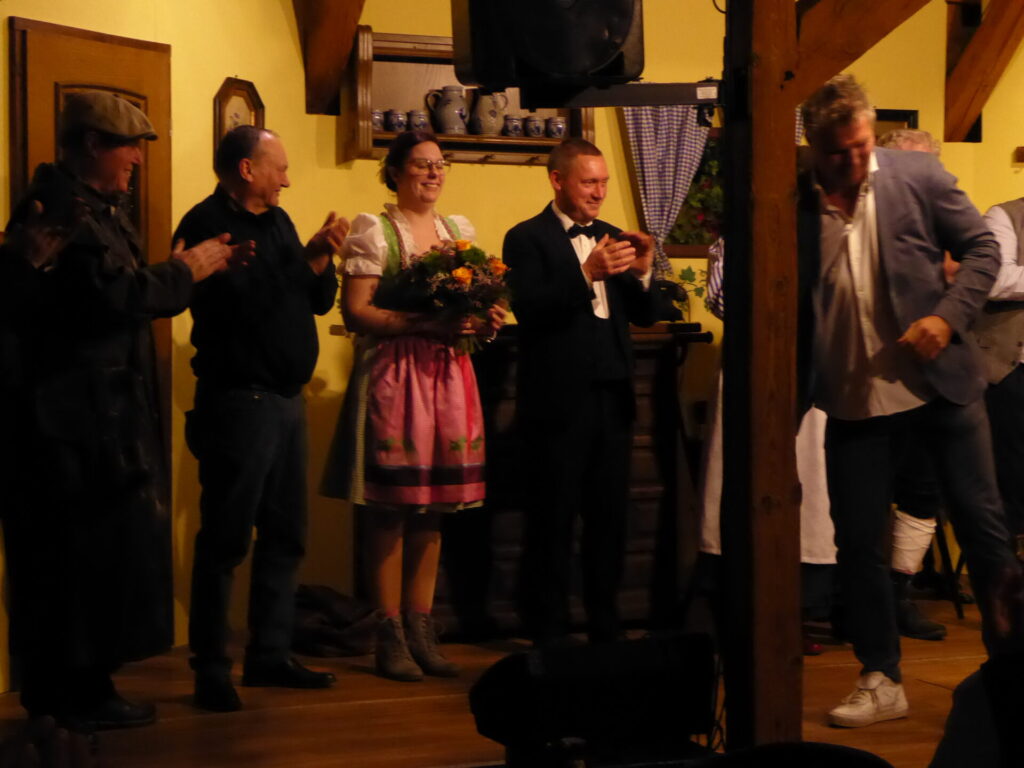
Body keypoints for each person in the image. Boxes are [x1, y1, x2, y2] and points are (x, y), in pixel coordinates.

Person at [0, 91, 234, 733]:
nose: (137, 159)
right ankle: (72, 695)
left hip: (91, 415)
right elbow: (109, 300)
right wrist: (186, 271)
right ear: (92, 145)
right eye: (129, 146)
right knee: (73, 560)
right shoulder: (60, 212)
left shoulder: (90, 208)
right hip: (68, 422)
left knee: (93, 557)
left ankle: (78, 689)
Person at [798, 74, 1019, 728]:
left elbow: (983, 249)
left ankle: (1013, 670)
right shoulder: (790, 201)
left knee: (984, 528)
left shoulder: (917, 176)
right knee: (858, 543)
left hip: (941, 386)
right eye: (838, 152)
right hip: (852, 396)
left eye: (862, 146)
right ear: (813, 148)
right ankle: (880, 677)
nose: (854, 162)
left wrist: (948, 318)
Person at [174, 125, 348, 711]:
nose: (288, 180)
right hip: (239, 402)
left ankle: (270, 654)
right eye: (280, 168)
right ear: (247, 169)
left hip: (286, 400)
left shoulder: (278, 221)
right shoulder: (205, 225)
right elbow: (242, 308)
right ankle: (211, 668)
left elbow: (313, 300)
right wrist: (303, 264)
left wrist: (321, 257)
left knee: (286, 535)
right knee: (225, 540)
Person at [322, 130, 505, 682]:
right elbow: (357, 311)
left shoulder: (458, 234)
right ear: (396, 172)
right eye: (421, 164)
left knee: (434, 508)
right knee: (391, 508)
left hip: (448, 376)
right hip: (397, 374)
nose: (433, 173)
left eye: (439, 164)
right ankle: (389, 631)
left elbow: (474, 307)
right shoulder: (375, 230)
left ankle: (422, 627)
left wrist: (483, 318)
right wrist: (427, 322)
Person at [503, 138, 658, 647]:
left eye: (603, 182)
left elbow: (646, 315)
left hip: (613, 398)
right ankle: (548, 633)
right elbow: (530, 309)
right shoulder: (526, 238)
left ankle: (605, 627)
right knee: (552, 518)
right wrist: (585, 273)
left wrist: (644, 271)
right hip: (557, 403)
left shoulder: (612, 236)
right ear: (557, 180)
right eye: (589, 182)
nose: (599, 192)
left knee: (609, 519)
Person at [974, 192, 1024, 549]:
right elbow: (994, 279)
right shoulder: (1004, 216)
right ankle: (1009, 566)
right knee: (1013, 479)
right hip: (1013, 371)